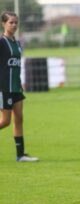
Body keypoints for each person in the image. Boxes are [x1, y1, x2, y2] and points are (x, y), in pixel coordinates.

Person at [0, 11, 38, 162]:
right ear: (4, 24)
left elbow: (15, 66)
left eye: (16, 22)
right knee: (5, 121)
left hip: (16, 87)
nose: (14, 25)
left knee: (19, 119)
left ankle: (20, 155)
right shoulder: (1, 42)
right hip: (4, 88)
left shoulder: (17, 43)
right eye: (11, 22)